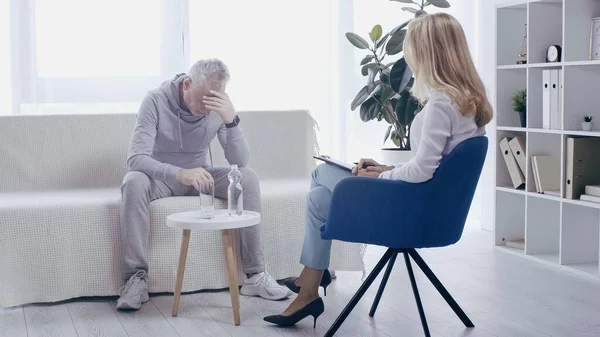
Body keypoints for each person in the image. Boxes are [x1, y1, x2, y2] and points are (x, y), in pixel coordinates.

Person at [263, 12, 493, 327]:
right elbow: (434, 166)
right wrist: (384, 166)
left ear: (428, 52)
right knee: (318, 199)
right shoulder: (465, 102)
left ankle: (308, 284)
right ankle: (308, 288)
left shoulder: (441, 104)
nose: (408, 56)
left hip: (411, 214)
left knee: (321, 176)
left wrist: (380, 176)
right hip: (427, 209)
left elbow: (423, 172)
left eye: (412, 48)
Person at [117, 58, 292, 310]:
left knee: (249, 177)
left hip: (202, 176)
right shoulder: (154, 101)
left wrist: (231, 120)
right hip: (162, 179)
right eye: (203, 101)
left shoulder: (216, 108)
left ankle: (255, 276)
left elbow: (239, 160)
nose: (208, 108)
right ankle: (136, 279)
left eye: (215, 101)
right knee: (132, 181)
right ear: (187, 84)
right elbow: (136, 158)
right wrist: (179, 173)